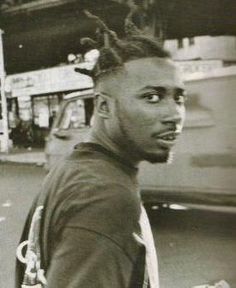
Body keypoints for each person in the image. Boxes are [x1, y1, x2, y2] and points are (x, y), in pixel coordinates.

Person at [15, 12, 186, 288]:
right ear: (104, 106)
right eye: (151, 97)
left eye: (179, 97)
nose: (175, 113)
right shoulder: (107, 198)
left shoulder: (73, 167)